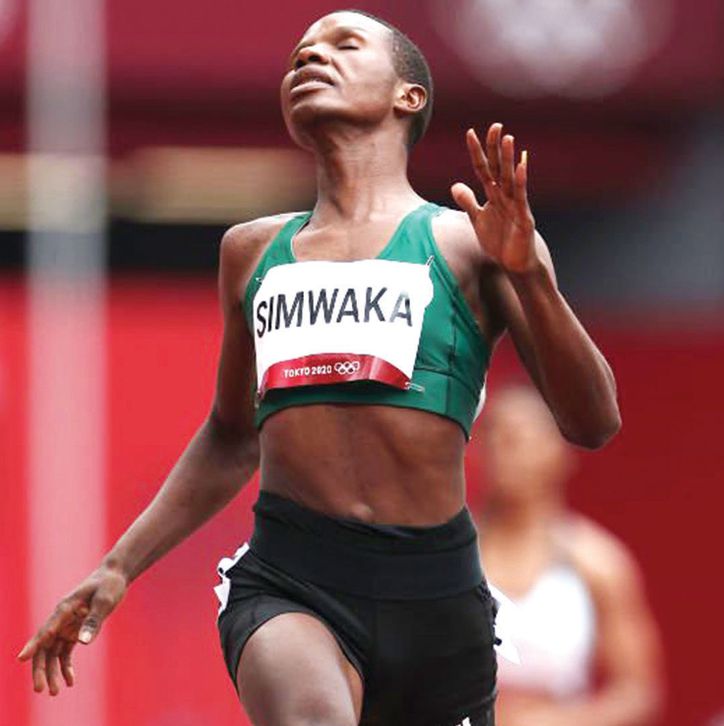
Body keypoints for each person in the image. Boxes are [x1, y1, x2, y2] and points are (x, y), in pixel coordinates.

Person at [18, 10, 621, 726]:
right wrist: (119, 566)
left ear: (408, 96)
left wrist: (531, 277)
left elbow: (592, 421)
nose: (310, 59)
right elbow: (231, 436)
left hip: (436, 595)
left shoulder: (473, 242)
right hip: (294, 577)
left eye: (344, 45)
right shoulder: (252, 251)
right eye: (299, 55)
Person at [479, 385, 662, 726]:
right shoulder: (451, 556)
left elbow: (637, 692)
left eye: (518, 440)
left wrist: (557, 722)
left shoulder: (598, 564)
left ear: (559, 451)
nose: (504, 454)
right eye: (494, 439)